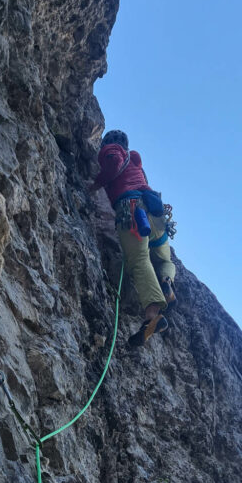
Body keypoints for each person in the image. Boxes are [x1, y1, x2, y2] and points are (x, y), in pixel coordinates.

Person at [91, 129, 177, 347]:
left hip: (132, 212)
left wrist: (94, 185)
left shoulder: (112, 149)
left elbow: (112, 163)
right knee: (165, 261)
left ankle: (153, 316)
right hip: (156, 219)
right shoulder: (137, 162)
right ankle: (167, 282)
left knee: (139, 261)